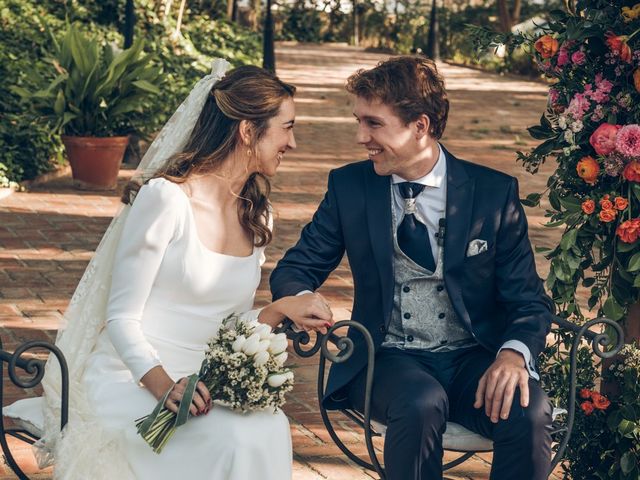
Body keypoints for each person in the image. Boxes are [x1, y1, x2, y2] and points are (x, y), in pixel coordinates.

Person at [9, 61, 333, 479]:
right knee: (234, 439)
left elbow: (226, 325)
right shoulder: (166, 200)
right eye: (287, 127)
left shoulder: (257, 213)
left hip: (204, 381)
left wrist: (281, 309)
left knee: (269, 426)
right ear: (248, 131)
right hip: (135, 378)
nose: (293, 142)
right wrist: (166, 388)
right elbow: (121, 317)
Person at [270, 56, 554, 480]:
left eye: (373, 123)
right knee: (421, 402)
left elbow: (529, 301)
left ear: (419, 126)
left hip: (471, 360)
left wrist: (513, 354)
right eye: (358, 121)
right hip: (389, 360)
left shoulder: (492, 194)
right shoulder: (350, 187)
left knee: (528, 411)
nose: (360, 137)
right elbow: (295, 268)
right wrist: (301, 297)